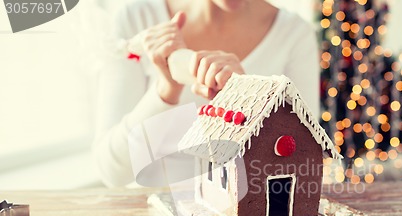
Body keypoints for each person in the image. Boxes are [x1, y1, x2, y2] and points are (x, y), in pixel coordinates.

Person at [93, 0, 320, 187]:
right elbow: (112, 171)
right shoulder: (136, 21)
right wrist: (166, 91)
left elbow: (304, 166)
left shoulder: (294, 34)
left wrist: (247, 100)